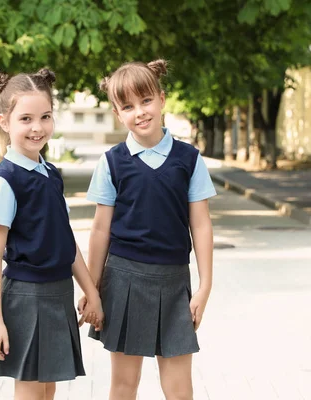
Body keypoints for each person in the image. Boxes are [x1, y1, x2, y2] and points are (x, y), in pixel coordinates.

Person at [79, 59, 216, 400]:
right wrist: (92, 287)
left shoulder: (189, 159)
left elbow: (200, 224)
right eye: (128, 106)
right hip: (123, 280)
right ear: (117, 113)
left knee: (179, 388)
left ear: (162, 99)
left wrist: (204, 287)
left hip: (174, 283)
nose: (139, 112)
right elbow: (99, 230)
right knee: (124, 385)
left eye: (146, 101)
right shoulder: (111, 162)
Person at [0, 68, 103, 400]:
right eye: (26, 119)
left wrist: (92, 291)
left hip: (58, 294)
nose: (37, 127)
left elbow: (65, 240)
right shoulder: (6, 181)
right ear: (4, 121)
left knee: (48, 391)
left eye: (45, 117)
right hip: (26, 298)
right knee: (31, 392)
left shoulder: (50, 174)